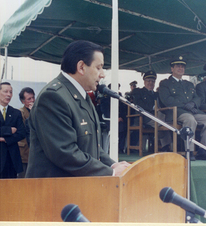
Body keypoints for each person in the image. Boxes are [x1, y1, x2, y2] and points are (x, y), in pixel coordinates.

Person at [26, 40, 130, 178]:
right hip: (53, 192)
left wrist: (112, 165)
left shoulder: (81, 96)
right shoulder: (53, 97)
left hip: (75, 189)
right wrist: (110, 173)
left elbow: (92, 147)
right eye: (98, 68)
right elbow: (65, 153)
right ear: (81, 67)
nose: (103, 74)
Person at [158, 56, 206, 161]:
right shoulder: (165, 83)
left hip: (192, 111)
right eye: (178, 66)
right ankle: (189, 151)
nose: (181, 69)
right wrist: (186, 105)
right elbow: (166, 100)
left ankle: (203, 150)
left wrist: (193, 103)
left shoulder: (188, 84)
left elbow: (198, 97)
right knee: (190, 119)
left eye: (182, 67)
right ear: (172, 69)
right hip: (177, 113)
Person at [131, 70, 172, 152]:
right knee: (164, 122)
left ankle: (167, 146)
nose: (151, 83)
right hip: (144, 117)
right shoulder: (138, 92)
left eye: (153, 81)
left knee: (166, 120)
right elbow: (139, 104)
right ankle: (166, 146)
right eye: (148, 81)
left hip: (157, 117)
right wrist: (153, 107)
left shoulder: (157, 94)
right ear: (144, 81)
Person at [0, 82, 26, 178]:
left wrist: (4, 139)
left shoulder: (16, 113)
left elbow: (21, 133)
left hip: (12, 159)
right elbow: (14, 131)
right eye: (5, 91)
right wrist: (9, 130)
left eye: (10, 92)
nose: (8, 94)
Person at [99, 83, 127, 153]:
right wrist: (114, 118)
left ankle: (121, 148)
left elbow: (123, 110)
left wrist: (121, 118)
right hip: (109, 119)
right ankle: (111, 148)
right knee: (117, 126)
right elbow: (105, 111)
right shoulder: (105, 99)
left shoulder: (120, 99)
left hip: (119, 119)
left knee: (124, 126)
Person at [17, 87, 35, 178]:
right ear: (23, 101)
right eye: (29, 99)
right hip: (24, 152)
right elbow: (25, 130)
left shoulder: (37, 111)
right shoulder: (20, 113)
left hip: (35, 151)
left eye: (33, 98)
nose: (32, 100)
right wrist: (32, 114)